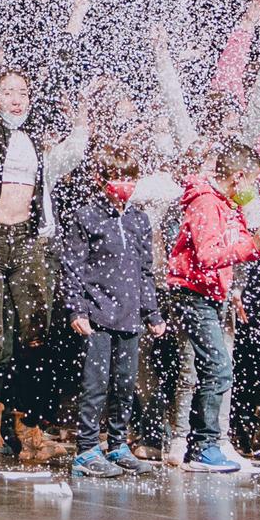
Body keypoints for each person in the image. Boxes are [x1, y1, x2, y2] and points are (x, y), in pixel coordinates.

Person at [0, 0, 85, 466]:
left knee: (33, 333)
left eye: (21, 91)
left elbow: (56, 72)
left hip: (26, 243)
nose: (15, 97)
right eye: (6, 90)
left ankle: (20, 420)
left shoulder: (32, 131)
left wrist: (74, 18)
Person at [167, 139, 260, 472]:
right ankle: (203, 447)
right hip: (193, 293)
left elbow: (243, 248)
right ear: (239, 176)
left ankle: (204, 444)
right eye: (253, 182)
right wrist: (250, 246)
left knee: (213, 370)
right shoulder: (205, 203)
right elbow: (206, 257)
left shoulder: (227, 205)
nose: (254, 190)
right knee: (217, 369)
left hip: (212, 295)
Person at [59, 142, 166, 477]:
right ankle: (87, 448)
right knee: (95, 384)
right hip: (97, 314)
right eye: (118, 176)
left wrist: (153, 313)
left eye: (130, 177)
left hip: (130, 315)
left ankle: (118, 443)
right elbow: (72, 266)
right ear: (100, 178)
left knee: (124, 383)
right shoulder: (86, 215)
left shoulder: (139, 219)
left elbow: (145, 270)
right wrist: (76, 309)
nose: (125, 184)